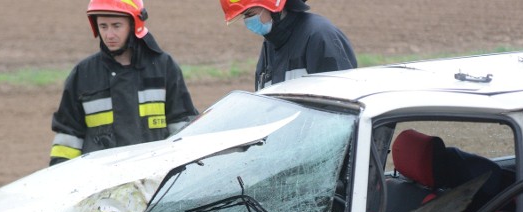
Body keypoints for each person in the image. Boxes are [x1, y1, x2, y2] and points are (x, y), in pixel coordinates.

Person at [49, 0, 198, 166]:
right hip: (102, 179)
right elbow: (68, 136)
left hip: (155, 174)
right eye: (103, 26)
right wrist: (60, 173)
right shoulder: (83, 74)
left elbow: (182, 126)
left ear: (134, 25)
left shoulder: (163, 68)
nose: (109, 35)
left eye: (116, 26)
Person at [219, 0, 357, 91]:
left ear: (272, 6)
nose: (247, 21)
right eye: (244, 16)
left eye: (250, 14)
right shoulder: (270, 46)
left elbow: (341, 110)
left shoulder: (319, 37)